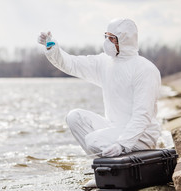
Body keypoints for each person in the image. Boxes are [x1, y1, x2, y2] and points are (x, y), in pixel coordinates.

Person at [38, 18, 161, 159]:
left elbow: (142, 114)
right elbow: (72, 64)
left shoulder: (144, 69)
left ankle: (115, 170)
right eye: (106, 36)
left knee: (94, 140)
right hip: (115, 128)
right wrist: (52, 48)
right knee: (74, 117)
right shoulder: (105, 63)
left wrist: (122, 144)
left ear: (124, 40)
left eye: (111, 38)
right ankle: (102, 169)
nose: (107, 42)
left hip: (142, 136)